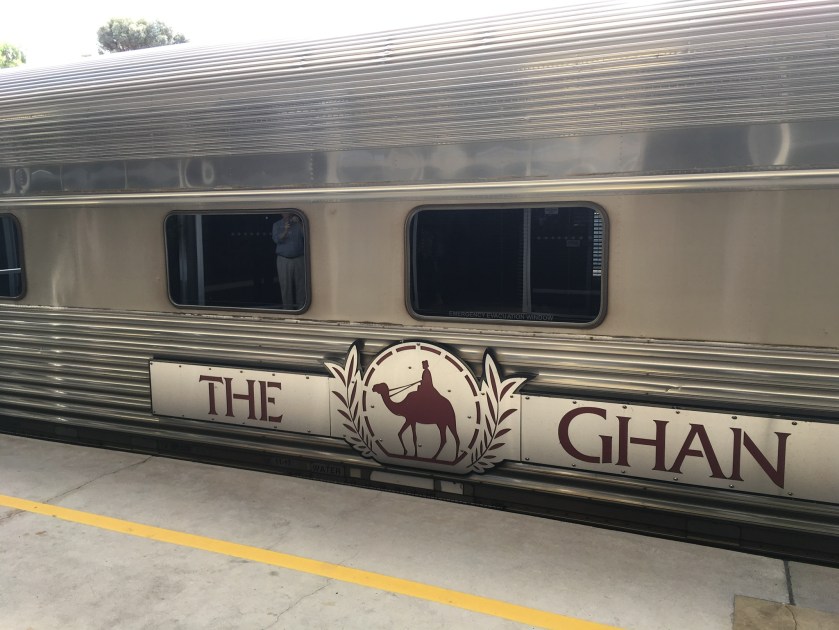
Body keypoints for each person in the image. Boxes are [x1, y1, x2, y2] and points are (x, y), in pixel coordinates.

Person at [272, 214, 305, 309]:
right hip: (283, 259)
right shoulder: (277, 224)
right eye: (285, 212)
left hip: (299, 258)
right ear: (282, 213)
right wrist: (285, 231)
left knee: (301, 285)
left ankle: (301, 308)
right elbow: (276, 239)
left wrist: (300, 223)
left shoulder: (299, 223)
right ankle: (288, 309)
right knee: (285, 286)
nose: (287, 214)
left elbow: (306, 236)